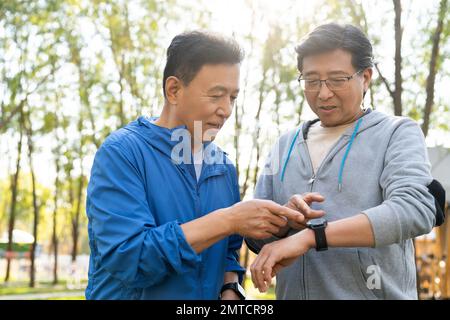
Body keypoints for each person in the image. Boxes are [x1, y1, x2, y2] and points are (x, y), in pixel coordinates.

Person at [85, 31, 304, 300]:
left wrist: (231, 288)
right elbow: (131, 258)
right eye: (216, 96)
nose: (226, 110)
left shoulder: (222, 165)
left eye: (233, 97)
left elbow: (227, 252)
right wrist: (229, 219)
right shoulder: (122, 153)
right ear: (173, 90)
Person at [246, 23, 436, 300]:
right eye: (311, 80)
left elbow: (414, 210)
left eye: (337, 79)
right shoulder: (283, 145)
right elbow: (255, 239)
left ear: (366, 77)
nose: (323, 93)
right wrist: (285, 222)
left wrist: (313, 237)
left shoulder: (396, 132)